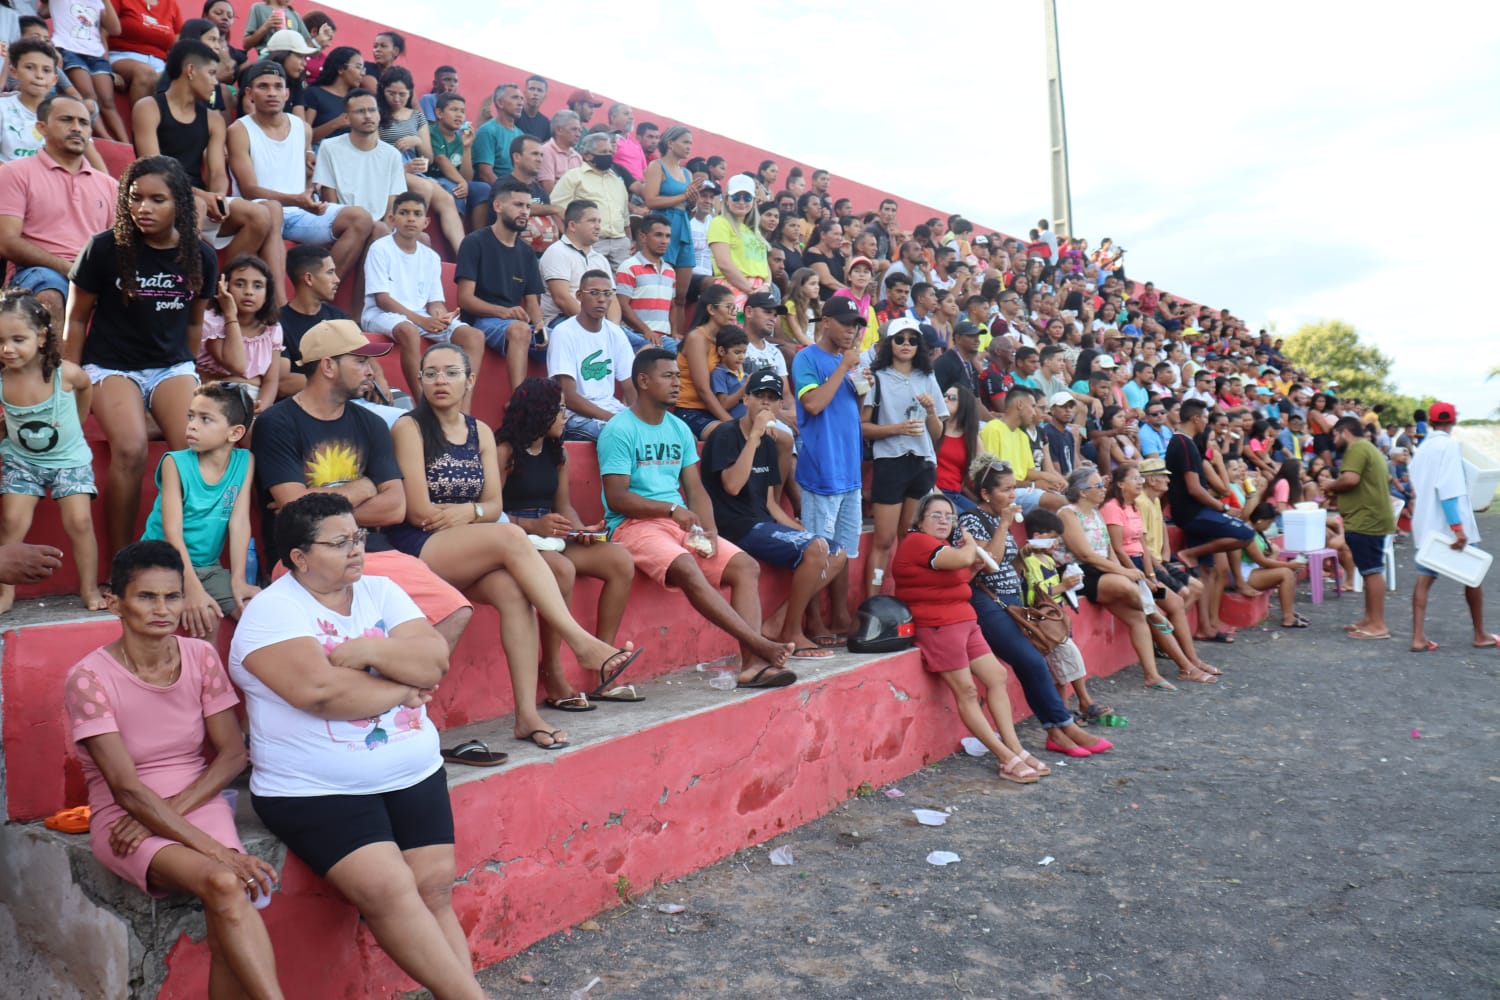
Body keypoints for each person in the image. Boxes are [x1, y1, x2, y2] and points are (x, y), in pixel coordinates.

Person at [228, 494, 486, 1000]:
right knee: (390, 890)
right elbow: (322, 693)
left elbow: (434, 659)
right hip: (316, 789)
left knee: (434, 888)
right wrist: (404, 689)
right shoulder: (273, 611)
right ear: (300, 557)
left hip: (413, 772)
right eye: (340, 541)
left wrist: (370, 650)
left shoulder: (382, 591)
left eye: (358, 537)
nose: (356, 549)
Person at [66, 541, 284, 998]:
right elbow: (126, 789)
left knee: (228, 904)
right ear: (115, 602)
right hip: (124, 820)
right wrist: (219, 852)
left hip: (196, 801)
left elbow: (232, 754)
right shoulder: (89, 678)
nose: (163, 609)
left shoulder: (200, 656)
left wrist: (171, 812)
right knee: (224, 879)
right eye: (147, 597)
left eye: (173, 596)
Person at [390, 349, 639, 740]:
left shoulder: (480, 432)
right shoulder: (409, 428)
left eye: (451, 372)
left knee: (513, 593)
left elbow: (492, 506)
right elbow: (421, 511)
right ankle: (580, 642)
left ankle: (526, 716)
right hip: (420, 543)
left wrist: (467, 511)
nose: (440, 381)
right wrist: (476, 513)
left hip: (466, 539)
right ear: (419, 380)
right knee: (510, 535)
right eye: (431, 373)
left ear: (469, 380)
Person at [250, 318, 474, 652]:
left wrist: (314, 504)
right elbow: (296, 508)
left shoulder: (371, 424)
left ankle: (392, 685)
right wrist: (365, 487)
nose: (371, 370)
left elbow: (395, 508)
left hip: (373, 551)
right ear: (328, 366)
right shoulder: (276, 423)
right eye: (360, 361)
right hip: (307, 555)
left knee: (453, 610)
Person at [599, 348, 796, 686]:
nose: (677, 383)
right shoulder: (619, 429)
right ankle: (759, 644)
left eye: (678, 376)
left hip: (677, 524)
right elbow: (618, 498)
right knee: (687, 566)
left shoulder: (679, 429)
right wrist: (669, 510)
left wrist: (710, 530)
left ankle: (752, 667)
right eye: (668, 376)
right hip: (633, 526)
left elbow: (695, 489)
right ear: (643, 381)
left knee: (745, 566)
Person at [65, 155, 218, 557]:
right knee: (131, 448)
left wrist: (187, 368)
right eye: (135, 198)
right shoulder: (103, 248)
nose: (143, 208)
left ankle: (187, 556)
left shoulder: (201, 256)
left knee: (194, 449)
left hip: (171, 365)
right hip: (110, 365)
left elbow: (194, 324)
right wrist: (70, 379)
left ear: (179, 204)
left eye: (156, 199)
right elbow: (76, 319)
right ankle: (123, 560)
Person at [494, 376, 639, 700]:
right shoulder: (505, 451)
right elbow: (491, 511)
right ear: (539, 411)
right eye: (559, 409)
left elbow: (563, 507)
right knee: (562, 569)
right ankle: (552, 669)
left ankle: (604, 663)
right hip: (513, 536)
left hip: (551, 534)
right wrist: (531, 525)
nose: (565, 416)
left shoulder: (557, 452)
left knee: (619, 561)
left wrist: (580, 530)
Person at [959, 462, 1113, 755]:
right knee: (1032, 662)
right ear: (986, 493)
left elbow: (1009, 566)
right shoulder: (971, 520)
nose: (1012, 495)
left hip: (1012, 602)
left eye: (1013, 488)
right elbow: (987, 564)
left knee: (1031, 664)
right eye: (1006, 490)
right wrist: (1004, 525)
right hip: (988, 604)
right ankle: (1066, 726)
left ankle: (1056, 733)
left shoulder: (999, 517)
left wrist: (1024, 554)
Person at [891, 493, 1044, 784]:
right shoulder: (917, 541)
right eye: (936, 515)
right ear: (920, 520)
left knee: (997, 676)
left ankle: (1015, 747)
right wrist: (971, 545)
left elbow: (961, 575)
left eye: (949, 516)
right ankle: (1005, 757)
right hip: (939, 626)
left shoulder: (941, 547)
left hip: (964, 622)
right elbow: (963, 557)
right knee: (968, 692)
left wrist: (972, 564)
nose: (944, 521)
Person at [700, 369, 844, 659]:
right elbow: (732, 486)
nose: (766, 403)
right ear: (747, 399)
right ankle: (792, 632)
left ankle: (778, 622)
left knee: (836, 552)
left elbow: (769, 503)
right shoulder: (726, 434)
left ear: (780, 406)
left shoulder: (769, 443)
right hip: (734, 527)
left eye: (772, 398)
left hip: (761, 523)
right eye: (759, 396)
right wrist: (753, 437)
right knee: (816, 548)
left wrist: (798, 530)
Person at [136, 40, 286, 295]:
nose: (216, 82)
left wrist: (217, 197)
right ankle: (179, 287)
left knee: (261, 215)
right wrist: (204, 197)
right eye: (212, 73)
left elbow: (217, 172)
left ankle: (217, 290)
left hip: (199, 200)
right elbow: (153, 168)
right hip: (158, 195)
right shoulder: (149, 107)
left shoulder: (213, 119)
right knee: (197, 204)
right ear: (190, 71)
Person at [228, 61, 375, 284]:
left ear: (287, 93)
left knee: (360, 218)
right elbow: (249, 190)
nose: (272, 93)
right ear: (249, 93)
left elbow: (306, 171)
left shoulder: (302, 128)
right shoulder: (239, 129)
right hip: (261, 212)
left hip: (299, 213)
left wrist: (309, 188)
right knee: (273, 210)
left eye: (278, 86)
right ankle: (279, 303)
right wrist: (297, 199)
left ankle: (319, 291)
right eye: (263, 86)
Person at [0, 290, 100, 616]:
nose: (7, 349)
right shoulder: (2, 379)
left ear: (41, 337)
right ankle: (4, 591)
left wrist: (79, 420)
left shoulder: (63, 373)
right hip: (22, 461)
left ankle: (89, 588)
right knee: (11, 520)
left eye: (18, 339)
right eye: (0, 341)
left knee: (80, 521)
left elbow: (85, 386)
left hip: (69, 461)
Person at [140, 381, 259, 639]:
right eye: (191, 416)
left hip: (208, 568)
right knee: (207, 619)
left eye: (205, 419)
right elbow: (172, 533)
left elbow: (239, 522)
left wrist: (238, 580)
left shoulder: (245, 461)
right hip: (162, 565)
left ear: (235, 433)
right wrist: (192, 589)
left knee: (256, 613)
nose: (192, 425)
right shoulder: (175, 463)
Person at [1057, 466, 1178, 692]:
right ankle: (1154, 612)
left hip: (1101, 568)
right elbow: (1085, 555)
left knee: (1136, 616)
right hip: (1078, 572)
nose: (1104, 489)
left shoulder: (1095, 512)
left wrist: (1122, 570)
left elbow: (1110, 550)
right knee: (1127, 585)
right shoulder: (1068, 514)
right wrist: (1124, 573)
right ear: (1082, 492)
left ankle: (1152, 675)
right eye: (1098, 485)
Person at [0, 96, 117, 325]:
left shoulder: (109, 185)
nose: (76, 128)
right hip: (35, 272)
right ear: (41, 128)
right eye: (66, 120)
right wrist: (69, 269)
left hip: (94, 274)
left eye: (83, 123)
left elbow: (118, 245)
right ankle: (55, 353)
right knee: (51, 292)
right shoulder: (14, 173)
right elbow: (6, 242)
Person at [361, 191, 484, 405]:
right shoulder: (380, 249)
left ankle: (462, 409)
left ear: (426, 222)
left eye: (417, 214)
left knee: (474, 337)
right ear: (392, 218)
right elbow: (382, 299)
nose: (411, 218)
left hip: (418, 316)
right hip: (381, 314)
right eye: (404, 213)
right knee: (408, 331)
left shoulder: (431, 257)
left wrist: (441, 317)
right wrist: (422, 320)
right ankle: (424, 405)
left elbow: (435, 302)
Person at [1102, 463, 1222, 682]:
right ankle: (1186, 667)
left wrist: (1151, 576)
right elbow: (1118, 549)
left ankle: (1193, 660)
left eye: (1140, 478)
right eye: (1135, 479)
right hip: (1128, 568)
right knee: (1153, 609)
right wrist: (1138, 575)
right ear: (1120, 484)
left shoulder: (1132, 506)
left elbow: (1142, 545)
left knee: (1175, 602)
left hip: (1142, 566)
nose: (1139, 482)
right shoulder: (1112, 507)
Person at [791, 296, 866, 643]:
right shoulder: (807, 357)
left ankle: (839, 616)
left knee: (844, 551)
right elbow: (813, 404)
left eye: (856, 325)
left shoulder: (845, 361)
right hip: (822, 469)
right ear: (825, 322)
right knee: (818, 551)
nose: (852, 331)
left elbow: (853, 413)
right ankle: (813, 621)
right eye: (846, 323)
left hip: (849, 470)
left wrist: (860, 383)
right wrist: (844, 368)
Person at [861, 319, 945, 594]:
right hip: (890, 461)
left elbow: (937, 433)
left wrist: (931, 411)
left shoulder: (927, 377)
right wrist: (897, 429)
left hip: (922, 462)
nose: (906, 344)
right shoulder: (877, 377)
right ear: (890, 343)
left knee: (909, 539)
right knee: (884, 540)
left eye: (912, 340)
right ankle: (873, 603)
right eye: (900, 339)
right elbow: (863, 427)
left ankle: (906, 599)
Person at [1165, 399, 1255, 645]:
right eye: (1205, 417)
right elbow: (1194, 488)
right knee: (1245, 534)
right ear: (1196, 418)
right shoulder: (1183, 443)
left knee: (1206, 571)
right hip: (1194, 513)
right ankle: (1189, 553)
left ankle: (1204, 628)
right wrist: (1222, 507)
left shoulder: (1185, 442)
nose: (1207, 422)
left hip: (1193, 512)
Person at [1408, 400, 1494, 652]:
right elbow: (1448, 489)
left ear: (1430, 421)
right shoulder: (1450, 446)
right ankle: (1480, 634)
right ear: (1453, 421)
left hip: (1427, 523)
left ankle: (1417, 637)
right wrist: (1458, 528)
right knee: (1473, 577)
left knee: (1424, 579)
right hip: (1450, 525)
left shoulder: (1422, 448)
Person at [455, 179, 546, 390]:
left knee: (565, 337)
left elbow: (532, 303)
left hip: (513, 323)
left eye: (528, 206)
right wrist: (504, 312)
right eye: (518, 205)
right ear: (497, 206)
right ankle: (519, 401)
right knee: (520, 330)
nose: (525, 212)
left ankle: (560, 404)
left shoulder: (526, 252)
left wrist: (540, 325)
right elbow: (465, 299)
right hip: (481, 321)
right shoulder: (474, 242)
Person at [1020, 509, 1110, 722]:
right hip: (1045, 622)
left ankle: (1065, 709)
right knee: (1068, 660)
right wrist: (1063, 586)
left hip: (1058, 618)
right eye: (1053, 537)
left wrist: (1069, 585)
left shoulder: (1048, 560)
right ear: (1038, 536)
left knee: (1061, 666)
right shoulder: (1031, 562)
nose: (1056, 543)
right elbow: (1034, 595)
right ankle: (1083, 702)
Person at [1327, 416, 1397, 640]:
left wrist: (1330, 485)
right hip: (1369, 517)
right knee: (1369, 571)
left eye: (1335, 435)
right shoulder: (1369, 448)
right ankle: (1369, 619)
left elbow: (1350, 479)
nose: (1334, 441)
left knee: (1372, 571)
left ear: (1345, 432)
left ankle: (1378, 625)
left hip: (1366, 519)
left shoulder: (1356, 448)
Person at [547, 269, 635, 441]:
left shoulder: (615, 333)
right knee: (619, 435)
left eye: (607, 294)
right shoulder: (564, 333)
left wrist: (639, 420)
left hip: (612, 411)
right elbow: (569, 397)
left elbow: (631, 386)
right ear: (579, 296)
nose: (601, 299)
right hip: (574, 416)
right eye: (594, 293)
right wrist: (615, 421)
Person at [196, 252, 282, 409]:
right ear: (224, 287)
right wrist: (230, 314)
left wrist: (262, 407)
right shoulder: (212, 322)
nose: (249, 291)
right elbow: (234, 364)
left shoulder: (272, 328)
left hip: (255, 399)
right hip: (215, 397)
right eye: (239, 284)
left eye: (257, 286)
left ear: (267, 292)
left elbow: (271, 381)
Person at [640, 126, 700, 338]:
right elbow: (650, 200)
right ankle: (658, 332)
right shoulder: (657, 166)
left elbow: (689, 208)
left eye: (690, 143)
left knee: (681, 294)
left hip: (683, 226)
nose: (689, 146)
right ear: (670, 143)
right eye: (685, 142)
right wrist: (684, 196)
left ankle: (677, 336)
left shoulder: (687, 173)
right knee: (662, 286)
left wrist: (692, 202)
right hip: (663, 225)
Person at [550, 132, 631, 267]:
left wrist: (628, 240)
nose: (608, 155)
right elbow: (555, 208)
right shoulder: (573, 177)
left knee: (622, 280)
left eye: (610, 152)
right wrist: (570, 239)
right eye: (603, 152)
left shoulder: (617, 180)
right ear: (587, 155)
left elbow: (625, 216)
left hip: (620, 243)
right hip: (590, 242)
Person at [52, 0, 129, 142]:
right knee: (88, 95)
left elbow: (115, 29)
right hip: (68, 50)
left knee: (108, 101)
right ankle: (105, 137)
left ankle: (125, 142)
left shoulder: (98, 2)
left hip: (96, 54)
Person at [539, 199, 619, 328]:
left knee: (640, 341)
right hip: (562, 320)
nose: (598, 226)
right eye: (592, 221)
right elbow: (561, 299)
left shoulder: (600, 259)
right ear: (572, 225)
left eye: (599, 221)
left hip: (599, 323)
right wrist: (595, 325)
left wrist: (613, 329)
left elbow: (612, 299)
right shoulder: (557, 252)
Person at [1236, 502, 1311, 629]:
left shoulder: (1256, 531)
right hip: (1244, 574)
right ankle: (1288, 618)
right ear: (1260, 520)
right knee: (1286, 573)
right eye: (1269, 522)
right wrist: (1289, 566)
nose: (1269, 526)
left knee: (1287, 570)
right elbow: (1262, 561)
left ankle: (1290, 612)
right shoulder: (1248, 532)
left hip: (1252, 569)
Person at [615, 213, 680, 353]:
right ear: (643, 237)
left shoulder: (670, 271)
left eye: (667, 236)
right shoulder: (629, 267)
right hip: (636, 335)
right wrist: (647, 331)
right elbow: (622, 305)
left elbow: (672, 306)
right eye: (658, 235)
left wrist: (674, 333)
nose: (664, 241)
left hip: (664, 338)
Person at [426, 91, 489, 230]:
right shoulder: (431, 131)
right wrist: (461, 182)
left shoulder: (461, 138)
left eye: (462, 111)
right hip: (432, 179)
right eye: (454, 110)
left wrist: (466, 148)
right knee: (457, 190)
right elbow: (441, 159)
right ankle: (458, 239)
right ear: (439, 113)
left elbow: (467, 178)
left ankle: (477, 236)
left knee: (483, 189)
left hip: (454, 181)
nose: (459, 115)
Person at [708, 174, 771, 313]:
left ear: (753, 201)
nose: (741, 202)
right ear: (726, 199)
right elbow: (724, 263)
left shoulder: (753, 231)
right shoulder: (720, 223)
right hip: (733, 289)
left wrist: (766, 286)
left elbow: (764, 266)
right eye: (736, 197)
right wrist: (751, 290)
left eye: (747, 197)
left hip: (758, 292)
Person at [111, 0, 184, 105]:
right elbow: (102, 30)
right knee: (146, 72)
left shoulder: (171, 4)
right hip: (122, 55)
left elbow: (178, 45)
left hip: (159, 62)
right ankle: (142, 115)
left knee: (183, 79)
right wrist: (106, 70)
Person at [470, 82, 524, 187]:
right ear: (500, 102)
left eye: (522, 99)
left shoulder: (521, 135)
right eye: (515, 98)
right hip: (498, 191)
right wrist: (507, 192)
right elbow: (485, 174)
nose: (520, 103)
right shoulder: (487, 131)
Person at [537, 109, 583, 194]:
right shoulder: (545, 151)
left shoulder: (577, 157)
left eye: (580, 131)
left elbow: (582, 188)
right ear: (559, 130)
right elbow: (549, 189)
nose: (578, 134)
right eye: (574, 129)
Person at [516, 74, 550, 141]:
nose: (535, 93)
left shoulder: (546, 124)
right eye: (532, 89)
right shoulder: (514, 115)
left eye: (540, 90)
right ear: (525, 93)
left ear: (545, 97)